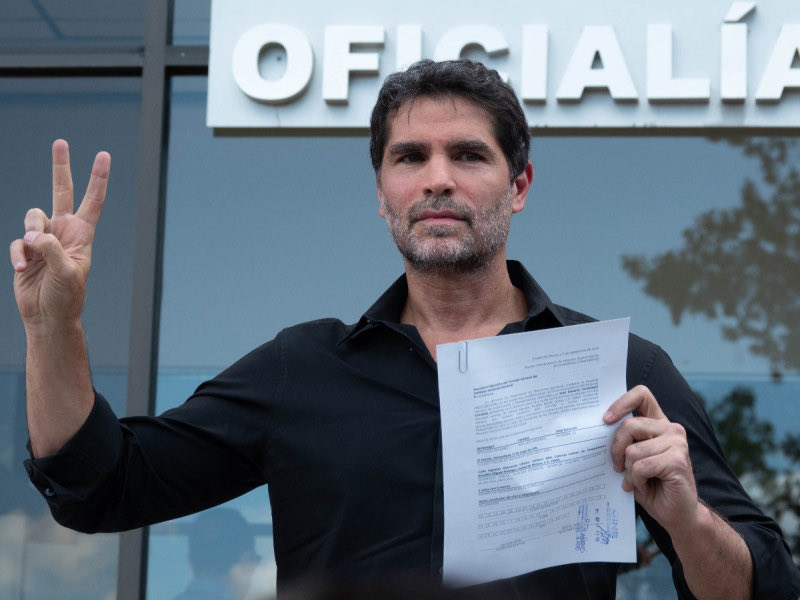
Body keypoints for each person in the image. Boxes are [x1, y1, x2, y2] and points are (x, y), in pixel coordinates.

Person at [9, 59, 800, 599]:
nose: (437, 179)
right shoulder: (302, 368)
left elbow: (764, 586)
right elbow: (100, 486)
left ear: (520, 185)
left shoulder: (617, 371)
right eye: (409, 157)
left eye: (469, 155)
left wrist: (687, 519)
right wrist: (53, 325)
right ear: (382, 191)